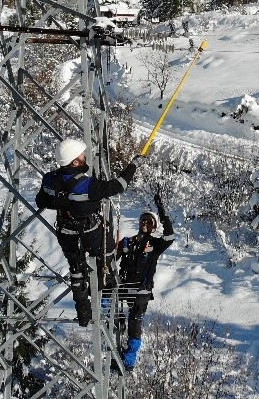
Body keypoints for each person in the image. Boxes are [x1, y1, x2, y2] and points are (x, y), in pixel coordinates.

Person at [36, 138, 138, 327]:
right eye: (82, 156)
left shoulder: (49, 180)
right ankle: (103, 280)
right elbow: (120, 185)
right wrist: (133, 165)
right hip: (90, 233)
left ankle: (83, 312)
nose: (85, 157)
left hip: (66, 232)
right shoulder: (87, 185)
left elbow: (41, 201)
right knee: (106, 250)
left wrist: (62, 202)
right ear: (75, 162)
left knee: (76, 268)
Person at [116, 191, 174, 370]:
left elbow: (170, 236)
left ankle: (129, 358)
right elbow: (112, 258)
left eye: (149, 222)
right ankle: (115, 337)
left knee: (135, 320)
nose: (145, 224)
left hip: (142, 290)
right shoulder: (128, 242)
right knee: (111, 307)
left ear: (154, 227)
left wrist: (162, 212)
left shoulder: (155, 244)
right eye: (143, 220)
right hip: (125, 287)